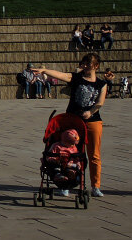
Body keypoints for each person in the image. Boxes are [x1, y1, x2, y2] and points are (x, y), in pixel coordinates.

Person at [31, 52, 109, 198]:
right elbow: (62, 75)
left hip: (93, 121)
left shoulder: (101, 84)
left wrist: (90, 112)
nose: (85, 66)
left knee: (94, 155)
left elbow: (100, 102)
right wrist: (44, 70)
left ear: (96, 66)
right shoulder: (76, 78)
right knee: (69, 153)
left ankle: (95, 186)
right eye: (84, 63)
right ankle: (66, 184)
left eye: (89, 64)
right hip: (73, 120)